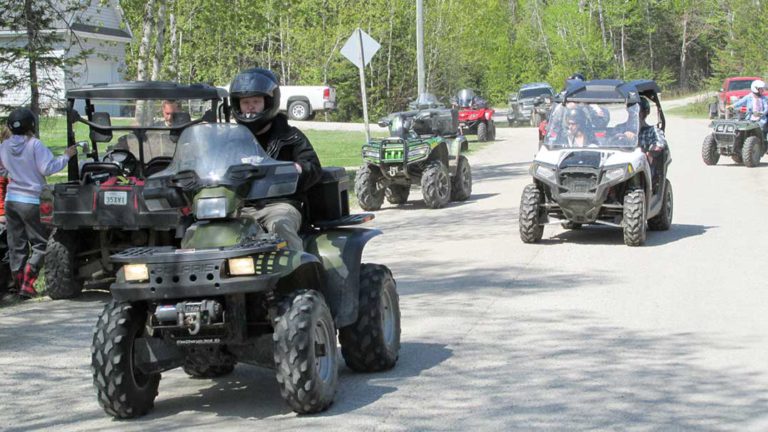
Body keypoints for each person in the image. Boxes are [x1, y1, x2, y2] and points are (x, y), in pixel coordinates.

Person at [229, 67, 322, 252]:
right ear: (237, 104)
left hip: (280, 205)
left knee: (281, 226)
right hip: (238, 207)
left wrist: (297, 169)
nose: (250, 106)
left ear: (269, 102)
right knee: (201, 231)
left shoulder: (291, 137)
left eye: (256, 101)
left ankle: (297, 275)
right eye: (245, 102)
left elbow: (313, 168)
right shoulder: (229, 139)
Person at [0, 108, 76, 301]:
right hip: (32, 199)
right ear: (31, 125)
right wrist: (66, 156)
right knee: (42, 243)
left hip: (11, 200)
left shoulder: (4, 145)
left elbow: (3, 168)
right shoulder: (34, 145)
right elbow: (47, 168)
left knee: (16, 244)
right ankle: (28, 280)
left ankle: (17, 282)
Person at [636, 97, 667, 191]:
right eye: (632, 111)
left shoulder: (652, 131)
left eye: (639, 111)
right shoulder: (621, 129)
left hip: (642, 169)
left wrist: (649, 151)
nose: (636, 114)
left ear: (645, 113)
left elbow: (660, 143)